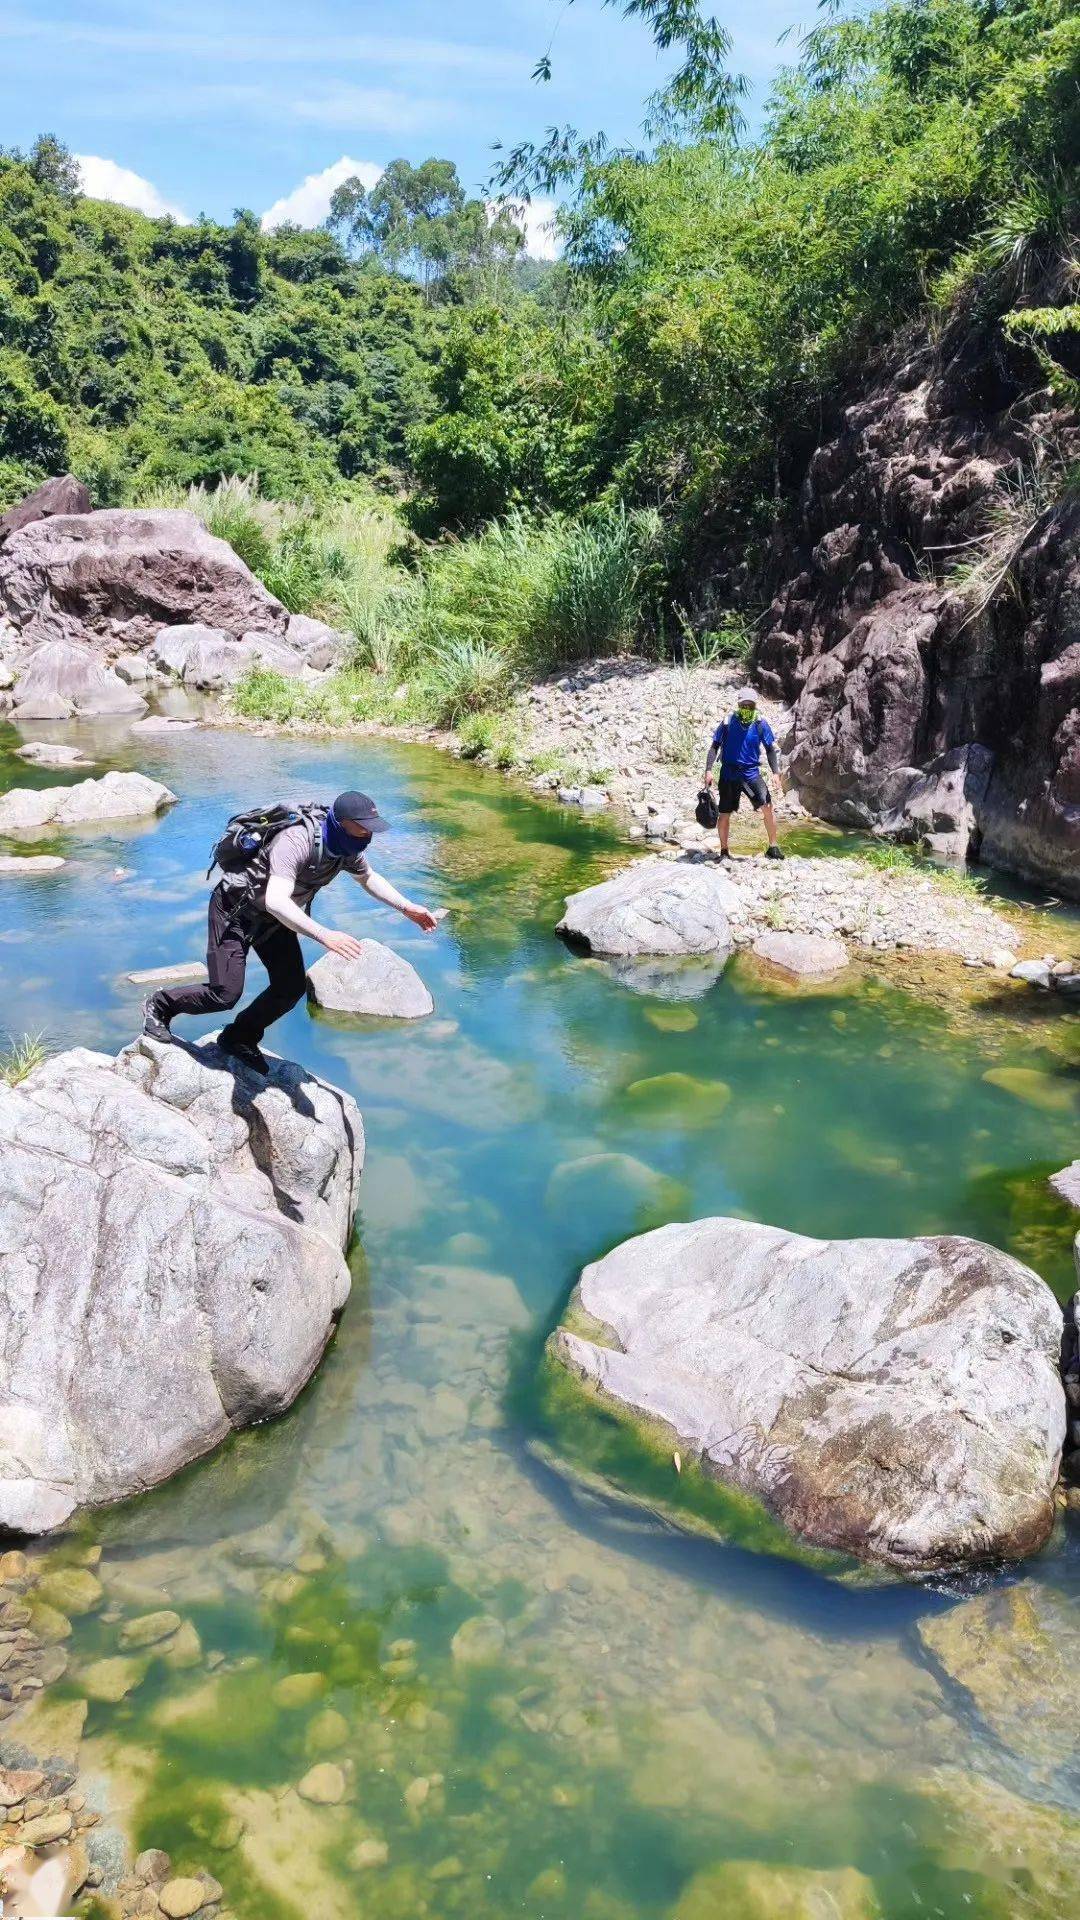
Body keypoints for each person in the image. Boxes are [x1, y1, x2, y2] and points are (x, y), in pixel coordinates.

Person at [143, 788, 438, 1073]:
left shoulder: (345, 847)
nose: (368, 835)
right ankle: (160, 1004)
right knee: (225, 994)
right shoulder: (297, 840)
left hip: (275, 921)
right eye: (362, 828)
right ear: (341, 824)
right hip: (235, 912)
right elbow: (276, 900)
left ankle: (239, 1037)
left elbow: (368, 877)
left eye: (371, 829)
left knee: (290, 988)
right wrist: (324, 934)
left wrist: (406, 907)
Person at [704, 687, 785, 862]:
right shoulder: (727, 722)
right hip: (729, 773)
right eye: (744, 704)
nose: (747, 708)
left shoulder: (760, 723)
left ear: (755, 706)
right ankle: (724, 851)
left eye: (750, 705)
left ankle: (773, 847)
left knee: (768, 807)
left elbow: (770, 749)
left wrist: (776, 773)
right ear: (739, 704)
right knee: (724, 812)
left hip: (751, 773)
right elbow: (714, 746)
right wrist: (709, 770)